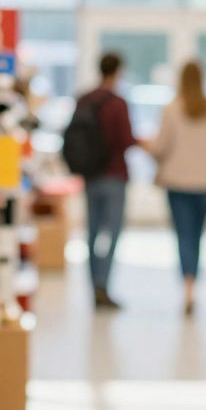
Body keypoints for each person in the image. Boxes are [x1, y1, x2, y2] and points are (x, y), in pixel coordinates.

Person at [144, 60, 206, 315]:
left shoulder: (172, 110)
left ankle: (187, 288)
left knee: (183, 236)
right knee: (197, 237)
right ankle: (193, 287)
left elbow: (160, 147)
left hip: (177, 182)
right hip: (204, 182)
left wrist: (145, 146)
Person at [73, 52, 138, 309]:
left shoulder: (84, 99)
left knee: (91, 232)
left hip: (90, 176)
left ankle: (93, 285)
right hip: (113, 176)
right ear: (118, 71)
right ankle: (103, 284)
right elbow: (125, 140)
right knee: (111, 233)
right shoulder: (117, 103)